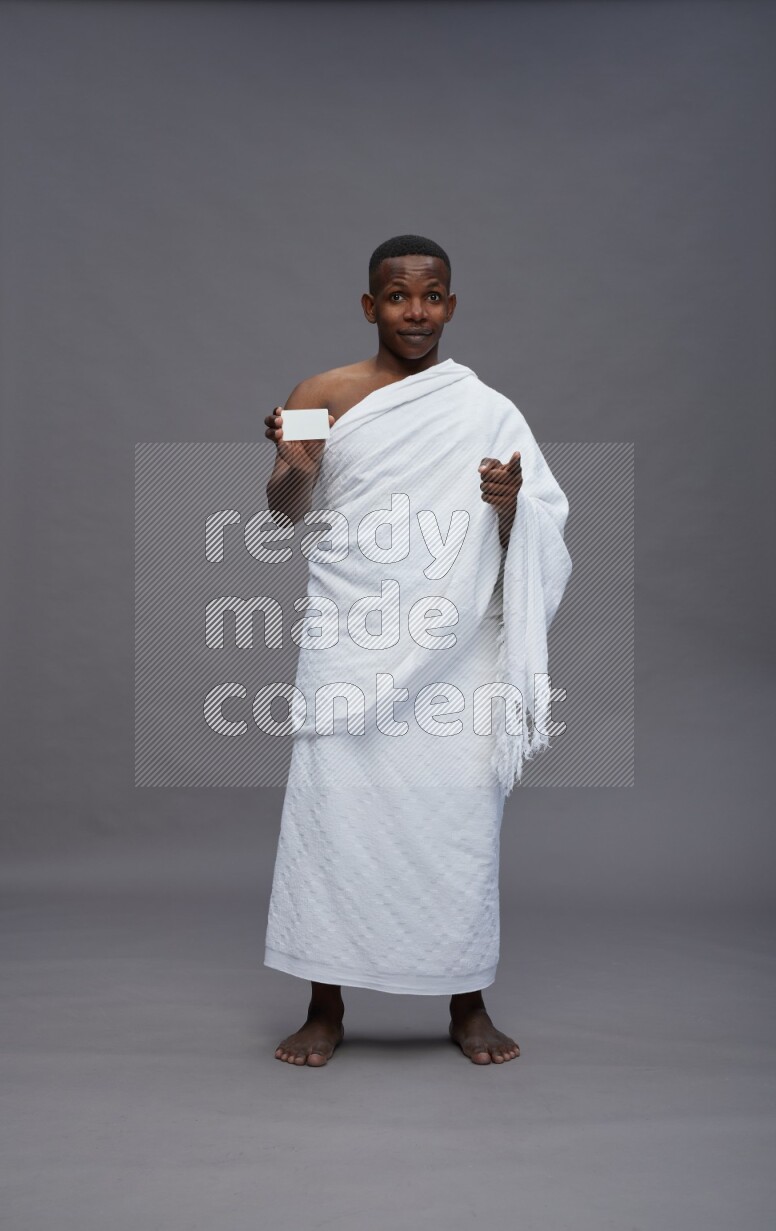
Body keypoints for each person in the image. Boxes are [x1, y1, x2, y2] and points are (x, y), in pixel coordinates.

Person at [262, 234, 571, 1066]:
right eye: (398, 297)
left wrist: (512, 506)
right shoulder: (319, 392)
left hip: (454, 645)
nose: (416, 312)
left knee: (458, 816)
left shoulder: (488, 408)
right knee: (333, 819)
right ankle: (324, 1005)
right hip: (349, 634)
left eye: (432, 296)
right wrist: (294, 463)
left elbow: (537, 520)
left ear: (452, 305)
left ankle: (465, 1000)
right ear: (370, 306)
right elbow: (287, 508)